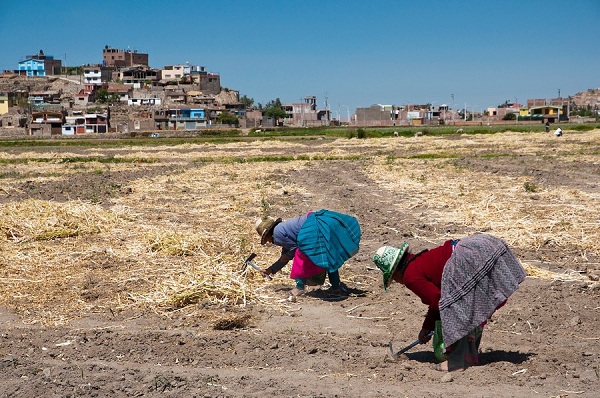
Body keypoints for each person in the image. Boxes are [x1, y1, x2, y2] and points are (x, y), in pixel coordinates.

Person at [373, 234, 526, 372]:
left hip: (465, 260)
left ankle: (458, 362)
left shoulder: (410, 276)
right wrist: (427, 327)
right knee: (469, 308)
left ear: (395, 272)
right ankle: (468, 357)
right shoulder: (418, 261)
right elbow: (438, 297)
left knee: (456, 309)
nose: (398, 282)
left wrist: (427, 325)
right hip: (477, 247)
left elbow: (438, 301)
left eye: (394, 279)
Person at [255, 209, 361, 300]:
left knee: (301, 254)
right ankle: (336, 287)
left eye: (266, 239)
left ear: (268, 233)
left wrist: (286, 256)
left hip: (312, 228)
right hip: (315, 223)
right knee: (328, 255)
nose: (268, 241)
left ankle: (299, 288)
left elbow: (293, 250)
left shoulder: (277, 235)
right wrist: (271, 270)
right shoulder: (281, 229)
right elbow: (285, 256)